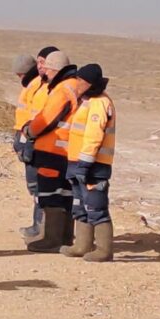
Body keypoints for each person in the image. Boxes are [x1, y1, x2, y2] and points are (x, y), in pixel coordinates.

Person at [21, 50, 78, 252]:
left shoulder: (61, 90)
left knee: (50, 195)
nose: (45, 72)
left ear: (55, 70)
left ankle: (52, 239)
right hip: (67, 150)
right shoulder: (74, 86)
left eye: (48, 69)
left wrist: (28, 130)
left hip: (52, 150)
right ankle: (64, 237)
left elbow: (46, 118)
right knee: (65, 194)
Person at [60, 63, 116, 262]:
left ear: (90, 83)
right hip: (77, 163)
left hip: (94, 165)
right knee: (80, 205)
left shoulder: (99, 103)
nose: (77, 84)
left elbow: (94, 136)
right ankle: (82, 245)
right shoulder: (86, 101)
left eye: (81, 81)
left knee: (96, 206)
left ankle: (104, 250)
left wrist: (84, 163)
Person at [15, 47, 59, 240]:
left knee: (40, 189)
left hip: (37, 142)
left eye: (44, 62)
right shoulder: (38, 84)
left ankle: (42, 229)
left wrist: (28, 138)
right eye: (39, 62)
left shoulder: (45, 87)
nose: (41, 66)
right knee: (35, 188)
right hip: (29, 139)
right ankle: (38, 226)